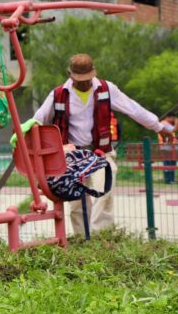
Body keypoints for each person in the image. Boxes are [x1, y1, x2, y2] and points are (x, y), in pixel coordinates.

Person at [32, 53, 174, 234]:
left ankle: (101, 235)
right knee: (77, 201)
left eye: (87, 79)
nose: (84, 83)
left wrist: (158, 127)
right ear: (70, 74)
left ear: (94, 73)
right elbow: (37, 120)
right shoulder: (59, 94)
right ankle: (82, 238)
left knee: (105, 188)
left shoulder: (106, 89)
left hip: (100, 152)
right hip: (72, 157)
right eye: (79, 79)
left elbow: (133, 109)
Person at [159, 115, 177, 184]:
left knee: (172, 164)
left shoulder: (168, 124)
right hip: (166, 147)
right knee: (168, 163)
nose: (173, 120)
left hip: (171, 147)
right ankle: (168, 180)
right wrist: (176, 121)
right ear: (168, 117)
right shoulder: (163, 123)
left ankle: (171, 179)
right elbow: (174, 129)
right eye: (172, 118)